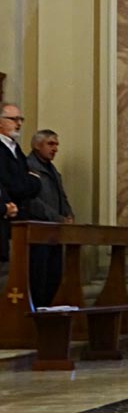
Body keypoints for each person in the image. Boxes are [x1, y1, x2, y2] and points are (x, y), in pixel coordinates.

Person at [24, 129, 74, 307]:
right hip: (39, 231)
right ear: (37, 145)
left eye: (57, 145)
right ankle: (37, 312)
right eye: (51, 144)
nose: (55, 149)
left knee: (54, 276)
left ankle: (47, 311)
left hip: (55, 232)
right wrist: (58, 218)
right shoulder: (28, 167)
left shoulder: (52, 170)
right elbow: (33, 201)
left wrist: (68, 214)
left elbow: (61, 196)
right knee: (39, 277)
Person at [0, 103, 41, 288]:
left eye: (20, 119)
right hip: (6, 219)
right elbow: (12, 185)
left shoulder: (16, 149)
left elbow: (32, 185)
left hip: (20, 220)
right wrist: (31, 181)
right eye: (13, 119)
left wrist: (31, 182)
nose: (19, 123)